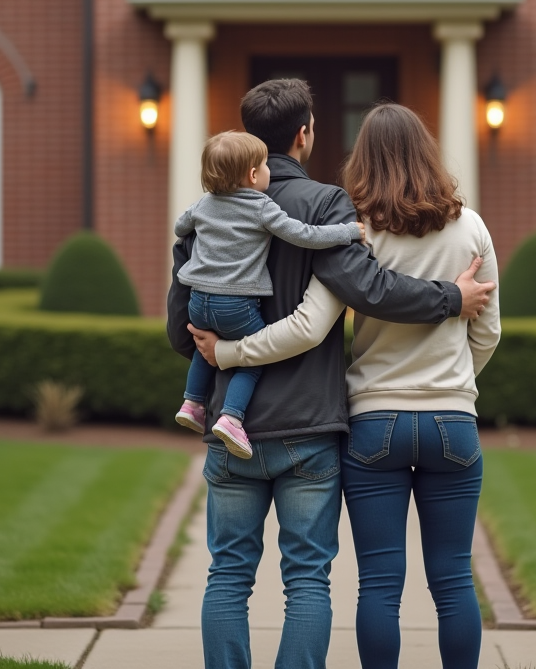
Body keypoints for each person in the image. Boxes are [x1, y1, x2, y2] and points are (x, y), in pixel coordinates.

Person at [166, 79, 495, 669]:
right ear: (305, 133)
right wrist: (452, 325)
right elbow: (364, 294)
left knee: (231, 577)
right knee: (313, 581)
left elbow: (180, 330)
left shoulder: (200, 217)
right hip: (312, 429)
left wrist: (223, 353)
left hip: (239, 425)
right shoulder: (328, 206)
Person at [172, 129, 366, 459]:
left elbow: (180, 227)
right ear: (252, 175)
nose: (269, 172)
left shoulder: (204, 204)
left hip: (198, 302)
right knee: (252, 357)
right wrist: (348, 231)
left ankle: (192, 403)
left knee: (206, 346)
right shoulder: (261, 206)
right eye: (264, 166)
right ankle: (232, 418)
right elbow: (304, 235)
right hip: (235, 302)